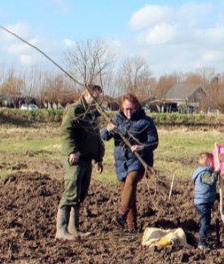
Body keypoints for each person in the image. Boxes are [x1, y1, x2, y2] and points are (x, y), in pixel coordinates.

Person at [100, 93, 159, 233]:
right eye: (126, 109)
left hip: (139, 160)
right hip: (121, 162)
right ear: (122, 107)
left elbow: (154, 141)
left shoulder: (146, 121)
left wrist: (141, 146)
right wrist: (107, 130)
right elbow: (104, 136)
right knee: (128, 193)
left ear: (137, 107)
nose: (129, 112)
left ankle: (121, 215)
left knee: (131, 182)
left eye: (131, 109)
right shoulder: (117, 120)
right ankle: (132, 227)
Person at [56, 85, 105, 242]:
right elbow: (66, 132)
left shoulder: (91, 113)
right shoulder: (74, 110)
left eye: (98, 97)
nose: (96, 99)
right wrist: (72, 151)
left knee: (80, 193)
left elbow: (96, 136)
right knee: (71, 191)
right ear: (85, 94)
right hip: (75, 158)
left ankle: (74, 228)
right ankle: (61, 230)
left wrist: (98, 158)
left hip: (86, 158)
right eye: (93, 96)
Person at [191, 151, 220, 250]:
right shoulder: (204, 174)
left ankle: (202, 238)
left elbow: (207, 191)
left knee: (205, 222)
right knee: (205, 223)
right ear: (208, 163)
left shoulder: (203, 173)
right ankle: (201, 242)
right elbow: (212, 180)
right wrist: (216, 171)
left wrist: (212, 204)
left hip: (203, 201)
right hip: (202, 203)